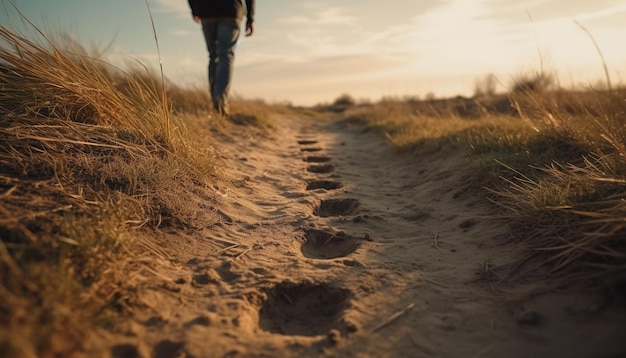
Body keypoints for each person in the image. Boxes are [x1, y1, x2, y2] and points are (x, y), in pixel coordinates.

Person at [188, 0, 255, 117]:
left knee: (213, 56)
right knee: (226, 55)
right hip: (230, 10)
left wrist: (195, 9)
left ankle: (215, 99)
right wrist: (250, 18)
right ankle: (220, 100)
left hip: (207, 11)